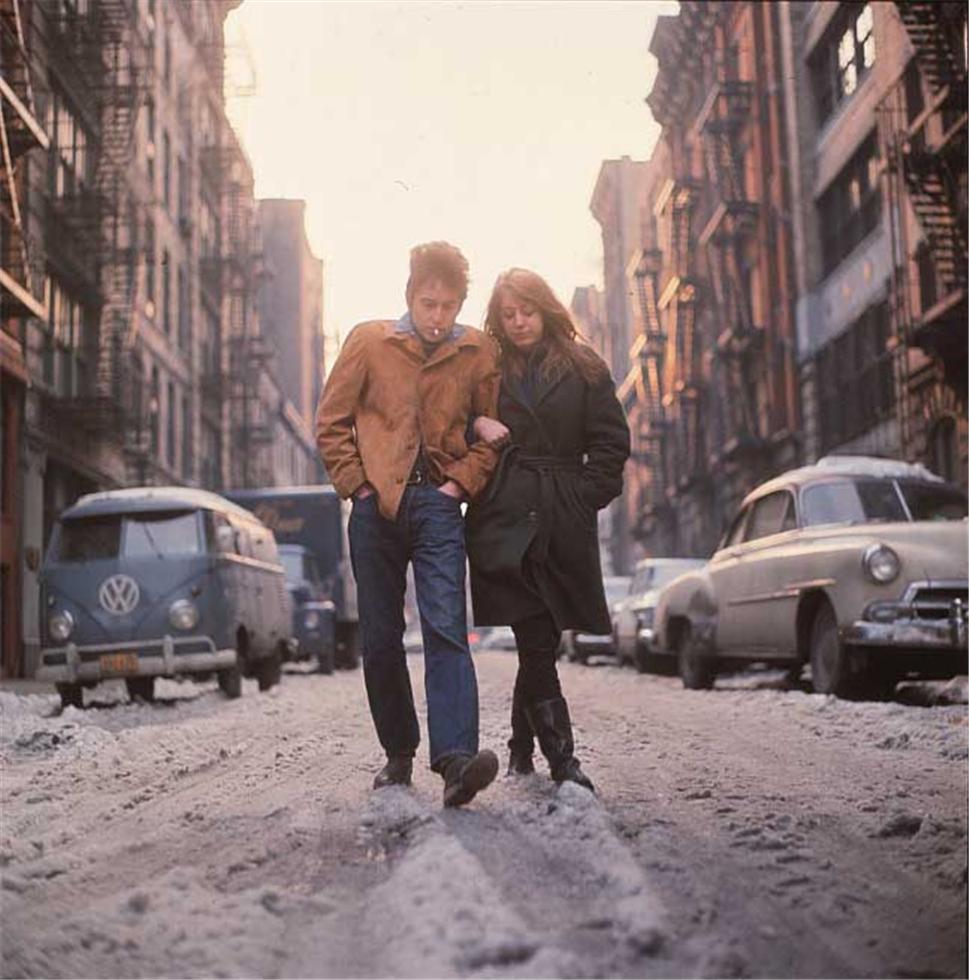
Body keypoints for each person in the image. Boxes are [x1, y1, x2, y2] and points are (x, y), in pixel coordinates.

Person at [315, 241, 503, 808]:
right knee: (380, 635)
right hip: (376, 509)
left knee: (447, 626)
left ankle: (456, 763)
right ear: (409, 296)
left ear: (460, 304)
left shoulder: (477, 352)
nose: (437, 317)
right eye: (428, 303)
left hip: (440, 507)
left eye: (448, 306)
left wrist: (460, 484)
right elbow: (331, 422)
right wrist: (360, 487)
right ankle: (398, 755)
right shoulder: (369, 342)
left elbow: (488, 435)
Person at [466, 268, 630, 792]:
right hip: (506, 516)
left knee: (541, 637)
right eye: (508, 314)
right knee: (533, 635)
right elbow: (453, 418)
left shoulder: (584, 367)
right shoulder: (485, 369)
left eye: (527, 312)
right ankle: (564, 762)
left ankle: (520, 749)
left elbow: (610, 441)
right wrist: (477, 424)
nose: (518, 323)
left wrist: (583, 499)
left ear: (546, 309)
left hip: (561, 512)